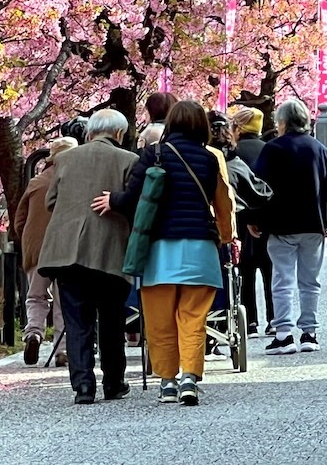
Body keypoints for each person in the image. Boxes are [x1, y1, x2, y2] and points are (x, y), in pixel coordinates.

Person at [96, 100, 235, 406]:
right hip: (200, 249)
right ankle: (190, 378)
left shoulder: (154, 154)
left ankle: (168, 382)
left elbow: (134, 196)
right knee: (193, 318)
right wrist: (226, 237)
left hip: (159, 250)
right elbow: (223, 203)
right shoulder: (210, 158)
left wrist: (113, 201)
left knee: (159, 321)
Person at [37, 109, 137, 404]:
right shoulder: (128, 160)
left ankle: (83, 386)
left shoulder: (65, 159)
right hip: (109, 250)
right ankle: (114, 383)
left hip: (66, 250)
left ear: (90, 132)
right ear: (119, 133)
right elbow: (134, 204)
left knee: (77, 320)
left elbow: (50, 201)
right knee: (112, 319)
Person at [251, 99, 327, 355]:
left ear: (281, 122)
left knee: (282, 280)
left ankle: (283, 335)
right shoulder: (319, 149)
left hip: (280, 225)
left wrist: (254, 218)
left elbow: (257, 185)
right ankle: (309, 333)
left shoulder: (273, 149)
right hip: (313, 224)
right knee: (310, 281)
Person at [205, 112, 271, 358]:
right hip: (229, 230)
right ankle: (226, 325)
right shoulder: (233, 164)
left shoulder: (192, 160)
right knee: (234, 274)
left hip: (193, 232)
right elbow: (259, 193)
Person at [14, 137, 77, 367]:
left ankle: (33, 333)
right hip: (65, 248)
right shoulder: (76, 182)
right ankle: (62, 349)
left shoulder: (37, 182)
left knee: (36, 295)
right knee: (64, 300)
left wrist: (28, 239)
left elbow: (19, 220)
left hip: (37, 247)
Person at [229, 106, 275, 336]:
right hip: (268, 218)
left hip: (241, 217)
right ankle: (274, 318)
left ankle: (250, 321)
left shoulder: (234, 152)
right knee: (270, 270)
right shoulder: (269, 149)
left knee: (244, 270)